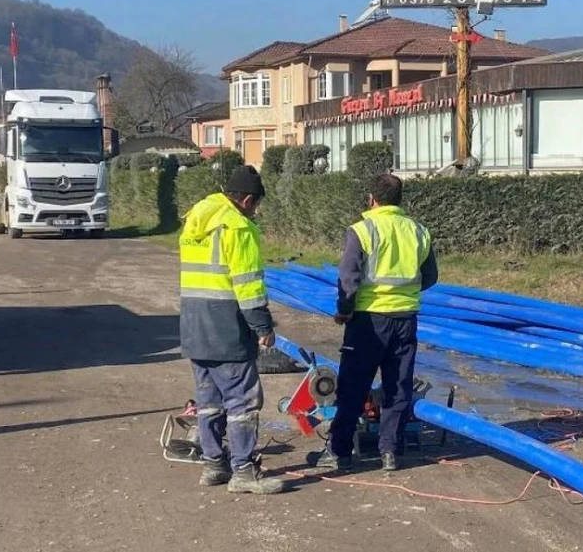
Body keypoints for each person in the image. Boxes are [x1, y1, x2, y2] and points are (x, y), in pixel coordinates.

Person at [313, 173, 437, 472]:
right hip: (405, 319)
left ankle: (340, 451)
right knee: (398, 386)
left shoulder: (362, 230)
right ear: (400, 199)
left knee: (354, 387)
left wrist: (344, 309)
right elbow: (430, 276)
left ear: (372, 198)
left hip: (368, 321)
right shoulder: (419, 231)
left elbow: (348, 277)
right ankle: (390, 453)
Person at [178, 165, 286, 495]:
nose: (256, 213)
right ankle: (242, 472)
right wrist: (263, 327)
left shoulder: (198, 219)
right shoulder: (238, 228)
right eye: (256, 206)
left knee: (209, 401)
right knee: (242, 401)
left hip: (195, 327)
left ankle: (214, 465)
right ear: (248, 200)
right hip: (227, 329)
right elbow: (247, 286)